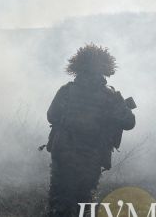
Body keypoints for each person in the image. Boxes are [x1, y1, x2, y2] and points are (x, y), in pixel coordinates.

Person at [46, 44, 136, 217]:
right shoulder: (110, 97)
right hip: (91, 159)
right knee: (84, 203)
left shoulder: (66, 91)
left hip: (63, 155)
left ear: (78, 67)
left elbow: (51, 116)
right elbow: (129, 123)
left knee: (59, 201)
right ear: (104, 69)